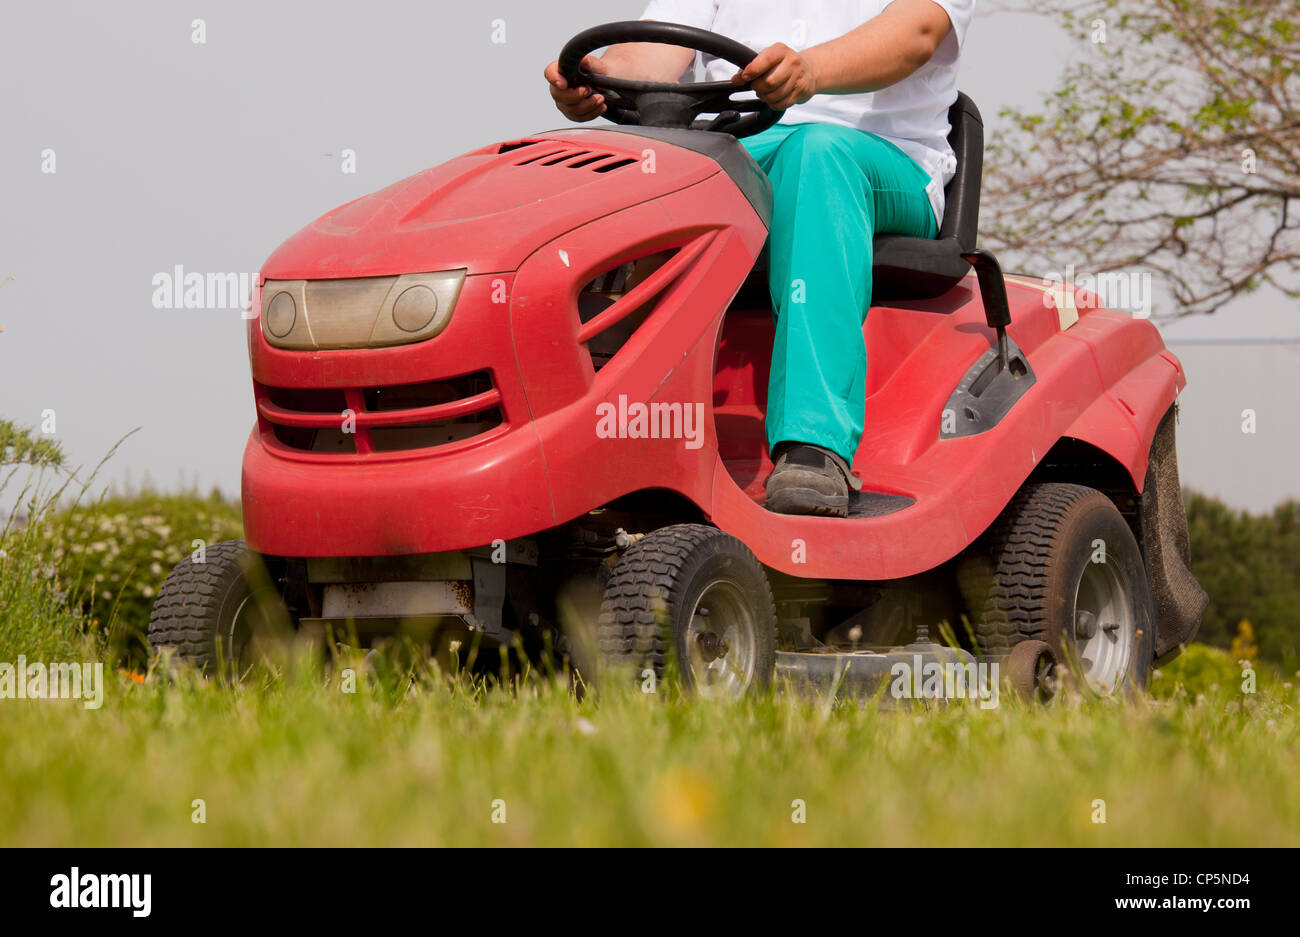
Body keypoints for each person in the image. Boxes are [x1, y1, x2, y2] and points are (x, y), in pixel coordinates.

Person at [545, 1, 974, 517]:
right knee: (604, 171)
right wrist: (596, 77)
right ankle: (596, 432)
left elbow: (917, 34)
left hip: (880, 158)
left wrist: (810, 71)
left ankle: (815, 447)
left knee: (816, 153)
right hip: (740, 149)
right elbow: (654, 51)